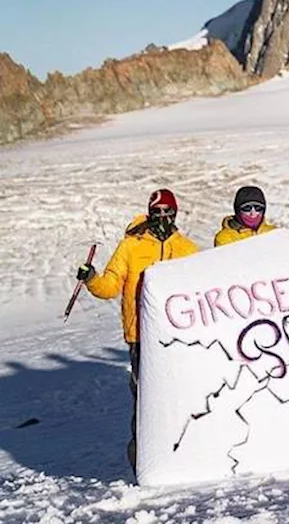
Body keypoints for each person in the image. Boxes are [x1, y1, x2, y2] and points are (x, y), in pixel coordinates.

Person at [76, 188, 200, 473]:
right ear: (149, 213)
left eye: (168, 213)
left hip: (177, 337)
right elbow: (110, 286)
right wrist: (92, 277)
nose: (163, 218)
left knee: (182, 397)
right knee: (145, 402)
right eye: (157, 213)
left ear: (176, 213)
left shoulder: (187, 249)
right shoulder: (130, 246)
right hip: (142, 338)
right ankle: (143, 465)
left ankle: (186, 459)